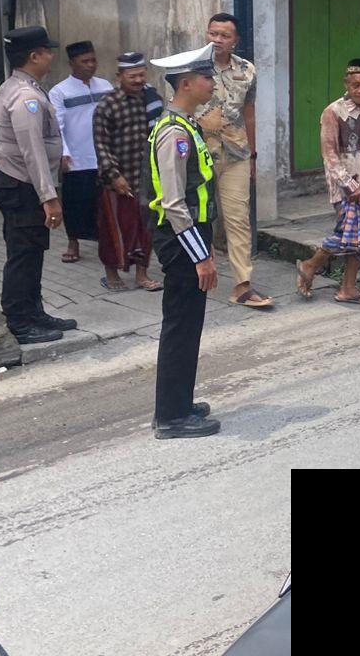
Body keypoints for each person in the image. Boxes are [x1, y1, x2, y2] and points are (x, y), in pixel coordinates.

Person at [146, 47, 223, 439]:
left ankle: (178, 402)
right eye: (206, 77)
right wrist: (201, 257)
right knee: (180, 325)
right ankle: (170, 418)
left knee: (189, 323)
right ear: (187, 84)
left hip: (191, 237)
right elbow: (175, 204)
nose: (212, 82)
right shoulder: (174, 133)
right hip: (182, 241)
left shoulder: (185, 124)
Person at [0, 26, 77, 344]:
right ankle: (20, 321)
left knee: (33, 250)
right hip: (22, 184)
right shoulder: (26, 96)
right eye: (47, 51)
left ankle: (33, 310)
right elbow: (33, 151)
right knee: (23, 253)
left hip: (18, 182)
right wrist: (48, 197)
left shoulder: (17, 86)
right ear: (33, 56)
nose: (52, 56)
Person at [299, 58, 360, 306]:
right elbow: (329, 154)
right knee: (349, 234)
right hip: (346, 187)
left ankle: (347, 287)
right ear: (347, 84)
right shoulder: (333, 112)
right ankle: (312, 265)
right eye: (356, 85)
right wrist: (348, 184)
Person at [196, 13, 270, 309]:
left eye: (224, 35)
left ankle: (242, 285)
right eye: (213, 33)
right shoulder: (193, 67)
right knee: (199, 216)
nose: (217, 40)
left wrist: (252, 155)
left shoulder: (247, 70)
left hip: (236, 155)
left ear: (235, 40)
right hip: (199, 156)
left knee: (238, 218)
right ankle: (196, 273)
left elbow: (249, 113)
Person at [92, 53, 161, 292]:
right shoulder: (107, 105)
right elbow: (101, 144)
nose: (138, 80)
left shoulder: (151, 100)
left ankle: (142, 274)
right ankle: (111, 274)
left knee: (145, 229)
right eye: (132, 76)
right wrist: (114, 175)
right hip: (117, 180)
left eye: (142, 75)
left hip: (146, 179)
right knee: (114, 231)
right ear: (120, 76)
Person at [48, 41, 113, 264]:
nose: (90, 65)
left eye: (93, 60)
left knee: (103, 203)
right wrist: (63, 152)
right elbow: (57, 126)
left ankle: (105, 242)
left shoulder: (105, 86)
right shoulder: (59, 92)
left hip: (104, 157)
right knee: (76, 202)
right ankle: (73, 241)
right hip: (76, 157)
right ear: (71, 64)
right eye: (85, 61)